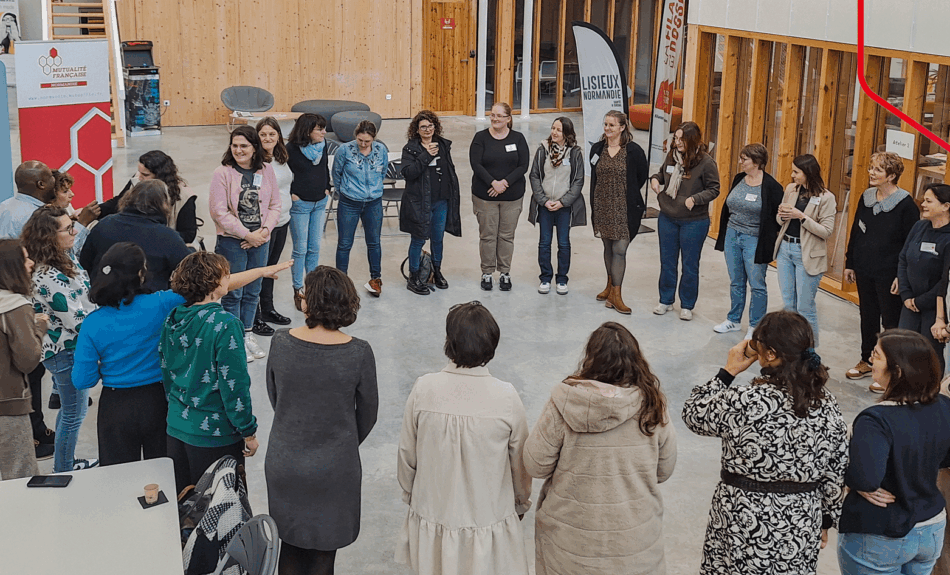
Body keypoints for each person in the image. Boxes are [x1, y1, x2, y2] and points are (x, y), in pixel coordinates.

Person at [73, 242, 289, 467]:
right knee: (164, 473)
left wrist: (107, 367)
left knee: (119, 475)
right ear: (139, 275)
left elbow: (82, 380)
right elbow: (210, 285)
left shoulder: (92, 323)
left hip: (115, 405)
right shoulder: (160, 304)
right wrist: (260, 271)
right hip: (157, 400)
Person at [682, 310, 849, 574]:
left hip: (743, 519)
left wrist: (728, 371)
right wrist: (825, 519)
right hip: (800, 520)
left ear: (770, 354)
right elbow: (835, 469)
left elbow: (694, 414)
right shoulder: (826, 403)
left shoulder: (747, 401)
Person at [523, 322, 677, 574]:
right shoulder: (652, 405)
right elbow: (664, 470)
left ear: (590, 359)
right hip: (635, 546)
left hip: (571, 548)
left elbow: (535, 465)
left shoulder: (564, 402)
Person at [396, 301, 532, 575]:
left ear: (450, 342)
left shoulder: (424, 388)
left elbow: (406, 454)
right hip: (488, 516)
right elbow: (520, 464)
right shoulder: (506, 397)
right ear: (492, 344)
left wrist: (413, 495)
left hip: (433, 510)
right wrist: (520, 502)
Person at [266, 266, 378, 575]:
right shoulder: (359, 352)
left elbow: (276, 397)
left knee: (288, 548)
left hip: (285, 462)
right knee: (323, 557)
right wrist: (341, 441)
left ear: (310, 303)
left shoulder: (280, 342)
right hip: (335, 469)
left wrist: (295, 426)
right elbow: (368, 413)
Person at [837, 329, 950, 575]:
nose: (871, 361)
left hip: (881, 535)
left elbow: (866, 479)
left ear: (897, 371)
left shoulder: (876, 420)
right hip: (930, 528)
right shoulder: (944, 406)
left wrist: (854, 480)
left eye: (876, 356)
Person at [161, 251, 260, 494]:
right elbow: (235, 386)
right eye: (226, 275)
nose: (229, 278)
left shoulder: (172, 319)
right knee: (219, 509)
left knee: (184, 503)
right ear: (214, 284)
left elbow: (166, 368)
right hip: (214, 436)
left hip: (176, 426)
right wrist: (248, 431)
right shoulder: (226, 324)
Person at [21, 205, 99, 472]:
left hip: (69, 348)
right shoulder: (47, 276)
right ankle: (64, 467)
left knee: (72, 410)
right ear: (49, 237)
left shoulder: (64, 256)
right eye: (68, 229)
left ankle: (64, 463)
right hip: (65, 352)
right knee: (74, 413)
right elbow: (76, 321)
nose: (74, 232)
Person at [843, 152, 919, 388]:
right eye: (871, 167)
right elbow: (856, 232)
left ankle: (892, 369)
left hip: (889, 273)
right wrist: (849, 262)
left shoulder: (906, 205)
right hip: (864, 268)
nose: (871, 173)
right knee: (867, 316)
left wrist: (901, 275)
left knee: (890, 321)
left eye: (877, 169)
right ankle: (867, 359)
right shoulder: (866, 196)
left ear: (892, 175)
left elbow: (910, 245)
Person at [209, 125, 281, 362]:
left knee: (253, 290)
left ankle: (248, 333)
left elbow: (275, 205)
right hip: (232, 242)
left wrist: (264, 231)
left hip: (260, 240)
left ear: (254, 148)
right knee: (233, 291)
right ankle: (234, 338)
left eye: (244, 146)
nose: (238, 150)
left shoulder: (266, 170)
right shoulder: (222, 173)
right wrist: (246, 235)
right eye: (235, 145)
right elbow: (219, 212)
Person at [650, 121, 721, 321]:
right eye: (676, 138)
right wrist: (655, 179)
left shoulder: (706, 162)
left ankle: (687, 305)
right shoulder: (672, 156)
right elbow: (661, 174)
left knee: (689, 265)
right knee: (667, 262)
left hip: (693, 222)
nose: (677, 142)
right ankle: (665, 300)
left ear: (692, 140)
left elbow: (714, 189)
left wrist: (696, 199)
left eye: (682, 139)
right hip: (667, 217)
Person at [712, 143, 784, 339]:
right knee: (736, 281)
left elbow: (777, 217)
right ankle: (733, 320)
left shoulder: (771, 187)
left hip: (754, 239)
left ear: (757, 162)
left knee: (757, 284)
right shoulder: (739, 178)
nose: (740, 162)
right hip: (732, 235)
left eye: (744, 159)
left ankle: (755, 325)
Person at [80, 180, 193, 293]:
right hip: (148, 299)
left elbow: (84, 264)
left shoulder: (104, 224)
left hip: (102, 296)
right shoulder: (168, 237)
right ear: (164, 204)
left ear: (128, 198)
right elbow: (191, 272)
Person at [774, 154, 837, 346]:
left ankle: (810, 351)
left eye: (796, 172)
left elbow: (826, 231)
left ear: (808, 173)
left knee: (805, 308)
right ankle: (791, 347)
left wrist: (801, 217)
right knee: (788, 304)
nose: (792, 175)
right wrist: (782, 216)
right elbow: (779, 220)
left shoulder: (826, 198)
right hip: (785, 249)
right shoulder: (791, 189)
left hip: (807, 254)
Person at [589, 110, 647, 312]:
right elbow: (594, 174)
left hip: (624, 208)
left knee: (620, 249)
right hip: (603, 205)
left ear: (622, 127)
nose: (607, 128)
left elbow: (640, 177)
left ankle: (617, 294)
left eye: (611, 125)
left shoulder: (634, 151)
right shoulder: (597, 149)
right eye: (605, 124)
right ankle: (609, 287)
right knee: (608, 247)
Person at [469, 102, 530, 292]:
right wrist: (493, 183)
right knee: (487, 236)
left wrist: (504, 183)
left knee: (506, 236)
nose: (495, 119)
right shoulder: (480, 138)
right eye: (492, 115)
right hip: (485, 197)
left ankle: (505, 272)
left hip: (512, 197)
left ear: (508, 119)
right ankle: (487, 272)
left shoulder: (518, 138)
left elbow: (523, 165)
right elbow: (476, 164)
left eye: (499, 115)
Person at [400, 110, 462, 295]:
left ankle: (437, 271)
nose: (427, 130)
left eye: (430, 126)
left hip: (441, 201)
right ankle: (414, 276)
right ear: (416, 130)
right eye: (423, 127)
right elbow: (408, 173)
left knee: (438, 238)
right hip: (420, 203)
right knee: (418, 239)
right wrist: (426, 156)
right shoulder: (410, 148)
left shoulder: (443, 145)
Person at [0, 240, 47, 480]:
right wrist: (38, 328)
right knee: (20, 478)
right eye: (25, 259)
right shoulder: (14, 306)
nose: (31, 263)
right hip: (8, 406)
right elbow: (27, 361)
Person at [895, 183, 950, 373]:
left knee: (930, 358)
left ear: (946, 206)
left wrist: (920, 301)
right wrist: (906, 295)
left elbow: (945, 279)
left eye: (928, 201)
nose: (923, 204)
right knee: (904, 351)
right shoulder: (919, 226)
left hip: (934, 308)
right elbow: (903, 258)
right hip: (909, 304)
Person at [528, 116, 586, 296]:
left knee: (564, 243)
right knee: (544, 243)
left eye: (559, 130)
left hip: (564, 207)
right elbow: (534, 175)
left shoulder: (575, 153)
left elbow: (578, 181)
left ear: (567, 133)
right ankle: (545, 278)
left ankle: (562, 279)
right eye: (553, 128)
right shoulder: (543, 150)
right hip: (545, 205)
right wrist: (543, 200)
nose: (554, 132)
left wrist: (562, 202)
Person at [332, 120, 389, 297]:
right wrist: (346, 191)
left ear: (374, 138)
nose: (363, 144)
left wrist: (374, 189)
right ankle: (341, 283)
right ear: (355, 136)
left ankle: (376, 279)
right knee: (344, 243)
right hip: (349, 202)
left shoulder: (381, 150)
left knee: (374, 242)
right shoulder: (344, 150)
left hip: (374, 203)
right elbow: (336, 174)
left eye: (367, 141)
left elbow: (383, 172)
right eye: (360, 140)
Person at [98, 151, 199, 244]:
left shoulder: (184, 196)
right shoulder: (137, 181)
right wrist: (98, 210)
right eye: (139, 172)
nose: (139, 177)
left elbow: (188, 235)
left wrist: (155, 234)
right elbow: (118, 203)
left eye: (145, 174)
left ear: (160, 176)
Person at [286, 113, 331, 311]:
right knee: (300, 249)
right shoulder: (290, 149)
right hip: (300, 205)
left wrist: (327, 187)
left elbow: (324, 167)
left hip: (320, 202)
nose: (324, 132)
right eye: (319, 129)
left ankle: (312, 288)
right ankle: (298, 289)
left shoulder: (323, 145)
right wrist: (292, 194)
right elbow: (283, 174)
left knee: (315, 247)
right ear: (307, 131)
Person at [253, 117, 294, 336]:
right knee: (259, 271)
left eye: (272, 134)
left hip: (283, 220)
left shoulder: (281, 157)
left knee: (271, 269)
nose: (268, 138)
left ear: (278, 135)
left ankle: (268, 309)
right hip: (265, 225)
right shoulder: (255, 161)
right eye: (263, 134)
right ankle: (254, 316)